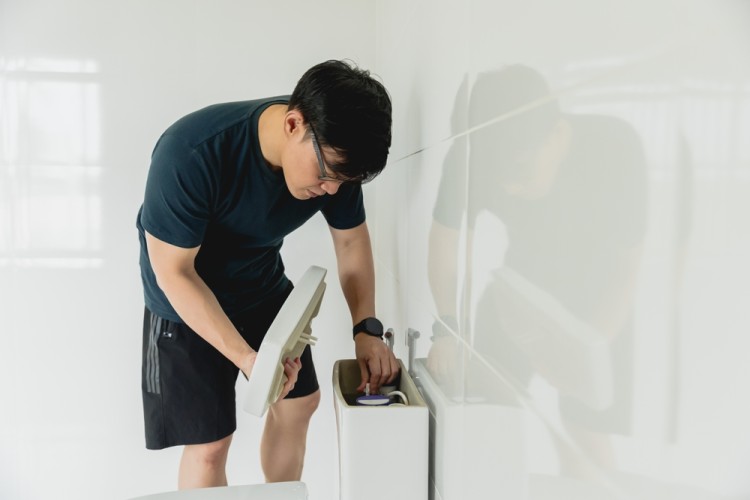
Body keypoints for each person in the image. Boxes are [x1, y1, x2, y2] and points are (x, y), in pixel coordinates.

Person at [136, 59, 399, 489]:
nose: (332, 190)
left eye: (343, 181)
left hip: (258, 284)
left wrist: (365, 329)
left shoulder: (335, 160)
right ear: (294, 124)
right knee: (211, 444)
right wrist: (246, 358)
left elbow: (351, 242)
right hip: (182, 302)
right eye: (328, 174)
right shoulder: (191, 152)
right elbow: (174, 271)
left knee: (300, 403)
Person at [428, 65, 647, 476]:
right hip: (521, 281)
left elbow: (626, 266)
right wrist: (448, 327)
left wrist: (585, 353)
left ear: (559, 135)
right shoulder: (473, 154)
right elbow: (445, 243)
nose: (508, 188)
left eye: (521, 171)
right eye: (499, 176)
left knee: (585, 430)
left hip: (600, 294)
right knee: (486, 396)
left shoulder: (615, 147)